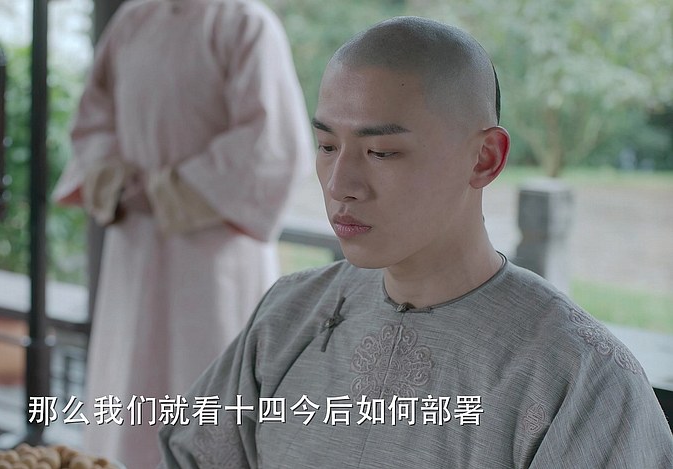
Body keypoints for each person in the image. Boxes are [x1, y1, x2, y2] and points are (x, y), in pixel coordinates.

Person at [158, 16, 673, 468]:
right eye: (327, 146)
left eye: (381, 152)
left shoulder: (581, 377)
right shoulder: (289, 315)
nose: (340, 184)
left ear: (485, 158)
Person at [51, 0, 312, 466]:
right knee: (129, 383)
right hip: (134, 244)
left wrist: (166, 191)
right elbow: (93, 118)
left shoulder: (245, 23)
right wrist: (119, 183)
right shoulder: (133, 19)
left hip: (213, 255)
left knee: (212, 381)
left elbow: (270, 142)